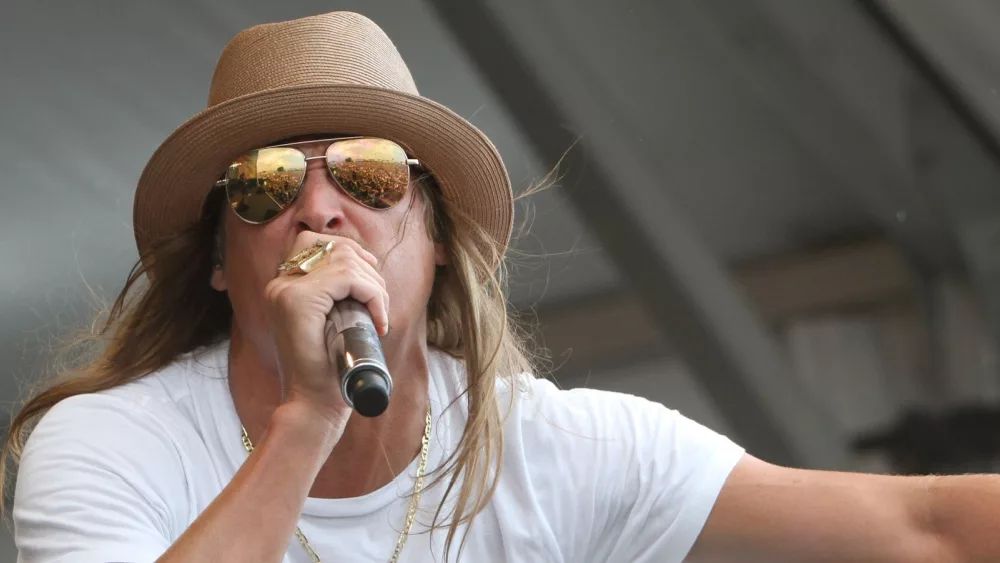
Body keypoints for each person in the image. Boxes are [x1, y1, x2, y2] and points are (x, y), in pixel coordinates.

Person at [4, 10, 1000, 563]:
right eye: (265, 185)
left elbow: (922, 529)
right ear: (222, 260)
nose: (319, 211)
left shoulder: (553, 449)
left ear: (435, 242)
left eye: (367, 176)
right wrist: (308, 419)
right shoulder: (113, 445)